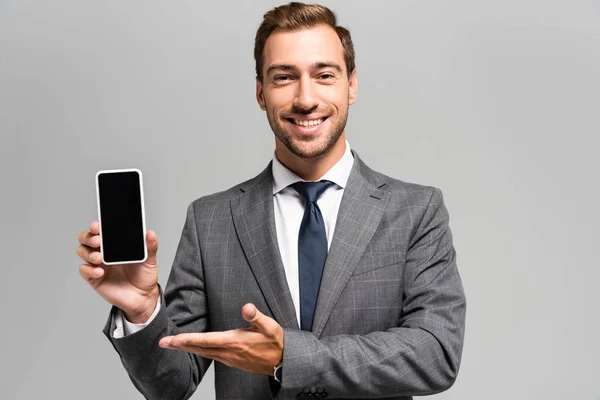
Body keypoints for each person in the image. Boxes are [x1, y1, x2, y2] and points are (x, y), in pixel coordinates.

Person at [76, 2, 466, 399]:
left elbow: (436, 354)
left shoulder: (416, 211)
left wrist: (289, 356)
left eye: (324, 75)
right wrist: (142, 311)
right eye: (284, 77)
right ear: (261, 92)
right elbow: (172, 384)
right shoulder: (211, 221)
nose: (305, 98)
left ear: (351, 86)